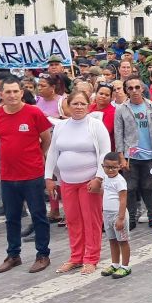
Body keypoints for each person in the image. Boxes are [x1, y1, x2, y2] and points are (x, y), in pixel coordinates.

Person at [45, 91, 112, 275]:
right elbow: (52, 152)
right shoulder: (61, 126)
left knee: (91, 221)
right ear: (68, 105)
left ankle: (91, 258)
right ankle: (76, 257)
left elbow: (105, 153)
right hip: (67, 181)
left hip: (89, 181)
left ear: (88, 105)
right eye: (75, 103)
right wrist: (49, 177)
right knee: (73, 220)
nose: (79, 107)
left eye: (83, 103)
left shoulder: (96, 125)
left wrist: (99, 177)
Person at [0, 76, 54, 274]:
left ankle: (43, 254)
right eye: (7, 92)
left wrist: (37, 158)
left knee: (38, 216)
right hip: (8, 176)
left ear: (21, 92)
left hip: (32, 174)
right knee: (11, 218)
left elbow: (46, 139)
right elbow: (2, 139)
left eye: (15, 91)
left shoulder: (34, 112)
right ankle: (13, 255)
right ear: (1, 94)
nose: (11, 95)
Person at [115, 76, 152, 230]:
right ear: (126, 91)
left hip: (149, 155)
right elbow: (118, 133)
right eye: (130, 88)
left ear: (142, 88)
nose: (134, 90)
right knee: (130, 187)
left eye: (137, 87)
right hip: (130, 156)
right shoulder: (122, 109)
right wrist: (121, 156)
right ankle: (132, 217)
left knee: (148, 186)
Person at [98, 152, 132, 279]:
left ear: (119, 167)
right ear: (103, 166)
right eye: (108, 167)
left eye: (114, 167)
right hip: (107, 214)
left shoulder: (120, 181)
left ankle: (125, 266)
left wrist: (121, 218)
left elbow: (123, 200)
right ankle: (115, 263)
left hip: (118, 215)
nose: (111, 170)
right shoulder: (105, 179)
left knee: (123, 241)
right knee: (112, 240)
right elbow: (104, 192)